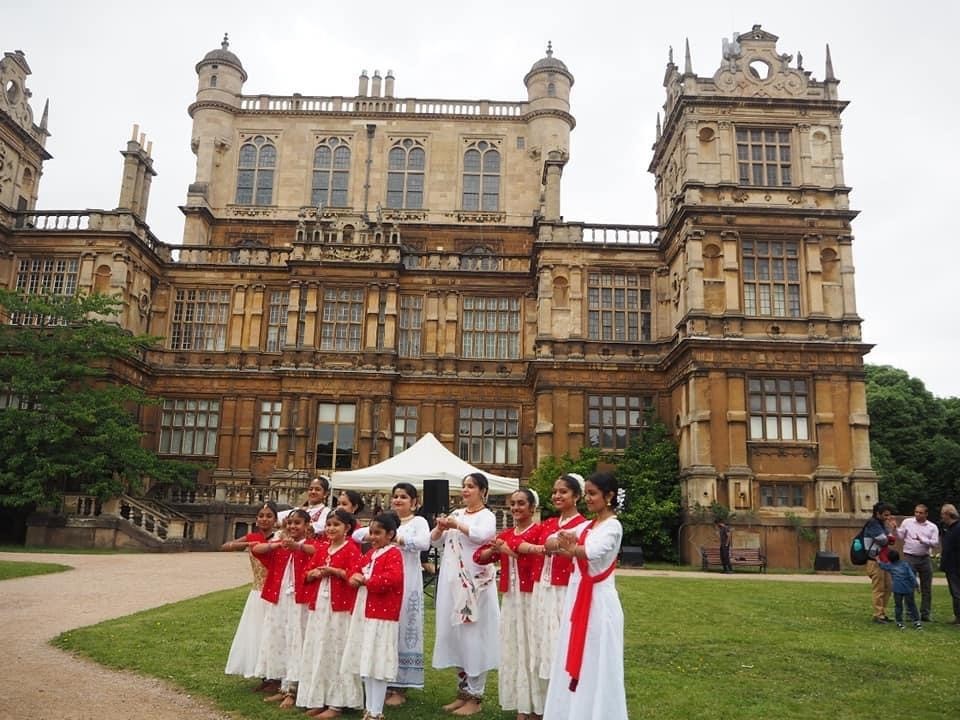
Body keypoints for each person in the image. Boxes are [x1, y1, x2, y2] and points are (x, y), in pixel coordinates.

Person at [542, 472, 627, 720]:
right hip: (578, 598)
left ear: (609, 496)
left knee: (597, 659)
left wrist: (570, 546)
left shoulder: (613, 526)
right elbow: (549, 542)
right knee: (574, 652)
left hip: (599, 602)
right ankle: (572, 711)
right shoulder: (589, 525)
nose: (588, 499)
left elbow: (590, 551)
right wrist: (565, 540)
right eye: (587, 493)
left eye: (593, 494)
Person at [352, 483, 431, 706]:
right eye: (395, 496)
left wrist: (396, 539)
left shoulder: (418, 521)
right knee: (383, 630)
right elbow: (358, 535)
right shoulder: (385, 521)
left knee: (405, 628)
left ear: (414, 502)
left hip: (407, 581)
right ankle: (380, 680)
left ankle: (400, 686)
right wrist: (379, 535)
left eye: (403, 497)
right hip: (382, 583)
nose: (398, 500)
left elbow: (425, 543)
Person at [430, 472, 499, 717]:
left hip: (474, 586)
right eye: (464, 486)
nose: (466, 490)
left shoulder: (487, 516)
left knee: (473, 636)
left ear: (483, 491)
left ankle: (476, 695)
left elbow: (481, 536)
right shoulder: (457, 513)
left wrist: (455, 525)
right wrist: (439, 528)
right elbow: (434, 543)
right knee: (456, 636)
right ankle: (463, 691)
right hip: (451, 586)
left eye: (471, 486)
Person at [475, 488, 544, 720]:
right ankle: (522, 705)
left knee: (532, 648)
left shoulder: (539, 531)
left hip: (532, 595)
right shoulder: (506, 533)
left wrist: (509, 549)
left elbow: (540, 555)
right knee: (514, 647)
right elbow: (480, 557)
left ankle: (538, 706)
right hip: (512, 597)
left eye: (521, 503)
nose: (515, 508)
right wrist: (494, 550)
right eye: (512, 504)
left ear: (532, 508)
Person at [523, 473, 587, 695]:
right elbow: (527, 542)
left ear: (576, 496)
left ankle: (565, 694)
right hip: (542, 587)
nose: (557, 495)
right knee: (542, 639)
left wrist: (555, 545)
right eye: (555, 491)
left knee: (560, 639)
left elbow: (576, 552)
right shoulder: (549, 522)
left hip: (565, 589)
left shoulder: (583, 524)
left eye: (563, 491)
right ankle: (545, 700)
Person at [297, 509, 363, 718]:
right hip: (321, 606)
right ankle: (317, 696)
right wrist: (313, 573)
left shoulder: (351, 549)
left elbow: (356, 576)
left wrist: (334, 571)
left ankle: (337, 702)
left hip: (340, 609)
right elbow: (305, 573)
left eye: (336, 525)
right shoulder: (322, 548)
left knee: (336, 650)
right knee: (318, 648)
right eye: (329, 525)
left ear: (347, 528)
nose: (331, 529)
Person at [251, 508, 319, 708]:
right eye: (289, 523)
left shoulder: (310, 545)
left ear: (307, 526)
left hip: (300, 601)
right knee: (281, 639)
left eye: (297, 523)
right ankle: (284, 684)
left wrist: (298, 546)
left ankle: (295, 689)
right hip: (281, 598)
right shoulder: (281, 545)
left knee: (297, 640)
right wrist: (279, 543)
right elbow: (257, 550)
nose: (292, 526)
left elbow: (318, 552)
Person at [341, 512, 405, 720]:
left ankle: (376, 710)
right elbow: (354, 569)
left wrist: (366, 579)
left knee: (377, 662)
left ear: (390, 534)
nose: (373, 537)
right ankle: (370, 710)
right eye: (371, 533)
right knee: (367, 660)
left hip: (382, 614)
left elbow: (392, 579)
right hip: (365, 612)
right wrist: (353, 577)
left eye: (378, 533)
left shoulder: (393, 553)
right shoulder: (371, 554)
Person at [223, 501, 279, 687]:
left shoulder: (279, 538)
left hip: (274, 592)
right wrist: (249, 542)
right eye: (261, 516)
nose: (264, 519)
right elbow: (226, 546)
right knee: (257, 633)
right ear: (256, 520)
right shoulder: (253, 537)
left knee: (272, 634)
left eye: (269, 516)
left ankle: (274, 675)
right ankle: (262, 674)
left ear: (275, 520)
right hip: (257, 592)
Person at [896, 504, 939, 621]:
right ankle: (910, 613)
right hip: (910, 557)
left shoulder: (932, 527)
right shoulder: (907, 522)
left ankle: (925, 613)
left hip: (925, 558)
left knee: (926, 587)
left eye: (920, 513)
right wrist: (895, 528)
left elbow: (935, 543)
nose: (917, 515)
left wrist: (923, 540)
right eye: (916, 512)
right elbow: (901, 536)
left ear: (926, 514)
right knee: (909, 585)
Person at [864, 501, 897, 624]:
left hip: (884, 560)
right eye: (886, 515)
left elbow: (891, 541)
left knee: (888, 587)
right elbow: (883, 541)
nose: (888, 518)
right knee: (879, 588)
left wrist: (889, 534)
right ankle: (877, 615)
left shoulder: (882, 524)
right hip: (875, 561)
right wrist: (889, 532)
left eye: (889, 515)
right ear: (878, 514)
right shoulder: (873, 524)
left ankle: (882, 613)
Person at [878, 549, 922, 630]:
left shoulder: (890, 566)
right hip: (908, 588)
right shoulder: (905, 565)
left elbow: (882, 566)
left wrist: (877, 560)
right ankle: (916, 621)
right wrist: (916, 586)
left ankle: (899, 621)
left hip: (897, 589)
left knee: (898, 606)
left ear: (890, 559)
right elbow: (911, 576)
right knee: (912, 605)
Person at [939, 503, 960, 625]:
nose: (942, 517)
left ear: (948, 514)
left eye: (943, 514)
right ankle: (957, 616)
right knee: (955, 592)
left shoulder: (957, 529)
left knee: (957, 592)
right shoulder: (949, 529)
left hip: (955, 566)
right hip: (951, 565)